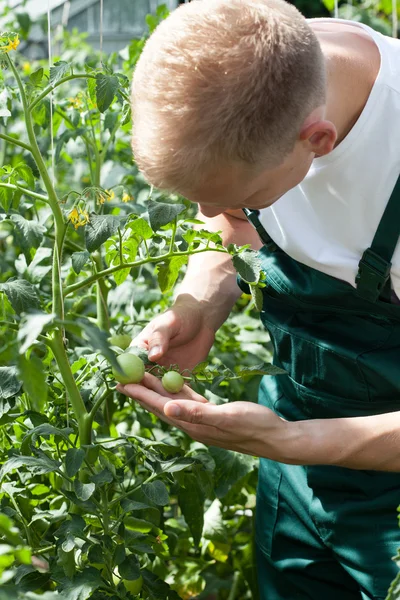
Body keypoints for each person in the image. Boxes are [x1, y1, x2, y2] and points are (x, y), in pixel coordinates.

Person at [117, 0, 400, 597]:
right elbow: (231, 222)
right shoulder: (272, 65)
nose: (208, 213)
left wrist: (295, 441)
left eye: (244, 193)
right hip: (292, 467)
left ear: (317, 141)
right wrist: (201, 299)